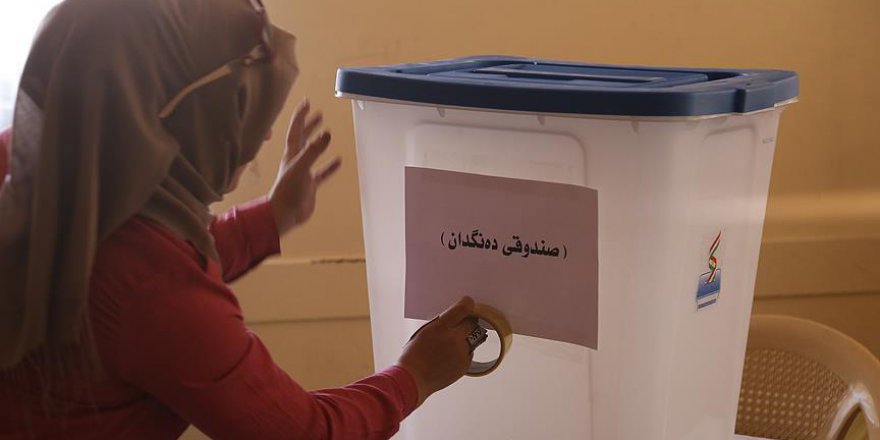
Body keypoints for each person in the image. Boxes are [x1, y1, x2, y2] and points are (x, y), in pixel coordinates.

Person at [0, 0, 478, 438]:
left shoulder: (32, 163)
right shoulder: (152, 286)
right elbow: (303, 432)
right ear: (187, 117)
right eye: (242, 109)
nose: (264, 136)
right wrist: (415, 375)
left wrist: (272, 218)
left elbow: (117, 277)